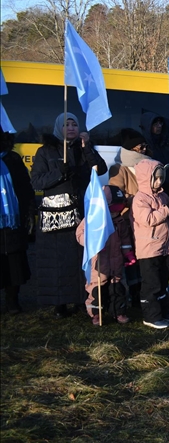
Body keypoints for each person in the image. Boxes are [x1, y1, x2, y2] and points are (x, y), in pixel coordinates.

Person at [30, 113, 107, 318]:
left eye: (74, 124)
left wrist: (87, 147)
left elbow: (100, 169)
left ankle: (81, 297)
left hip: (81, 211)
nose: (71, 128)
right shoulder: (45, 151)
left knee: (79, 257)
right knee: (58, 260)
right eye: (66, 124)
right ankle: (60, 304)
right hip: (56, 216)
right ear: (59, 128)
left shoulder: (83, 149)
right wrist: (59, 173)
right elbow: (36, 181)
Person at [132, 159, 169, 329]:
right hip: (149, 249)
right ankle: (151, 316)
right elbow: (148, 219)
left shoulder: (163, 196)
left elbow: (167, 215)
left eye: (161, 178)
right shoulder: (140, 199)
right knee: (152, 284)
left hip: (163, 247)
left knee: (163, 282)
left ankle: (164, 312)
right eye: (156, 178)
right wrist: (167, 210)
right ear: (146, 178)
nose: (159, 182)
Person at [76, 186, 135, 325]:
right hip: (99, 264)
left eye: (119, 209)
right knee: (97, 289)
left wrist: (128, 253)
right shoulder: (93, 218)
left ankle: (119, 312)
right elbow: (80, 234)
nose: (116, 213)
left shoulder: (120, 222)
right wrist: (92, 243)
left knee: (117, 288)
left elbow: (125, 240)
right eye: (114, 209)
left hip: (116, 262)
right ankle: (96, 314)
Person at [108, 128, 153, 308]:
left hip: (147, 220)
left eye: (144, 146)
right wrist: (137, 199)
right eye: (140, 147)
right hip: (129, 221)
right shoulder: (119, 168)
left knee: (146, 258)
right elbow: (116, 195)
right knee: (132, 259)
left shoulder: (150, 164)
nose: (143, 150)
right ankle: (135, 294)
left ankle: (148, 292)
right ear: (130, 148)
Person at [0, 130, 34, 314]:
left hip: (13, 221)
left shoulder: (12, 158)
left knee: (14, 264)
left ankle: (12, 300)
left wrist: (29, 212)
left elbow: (26, 187)